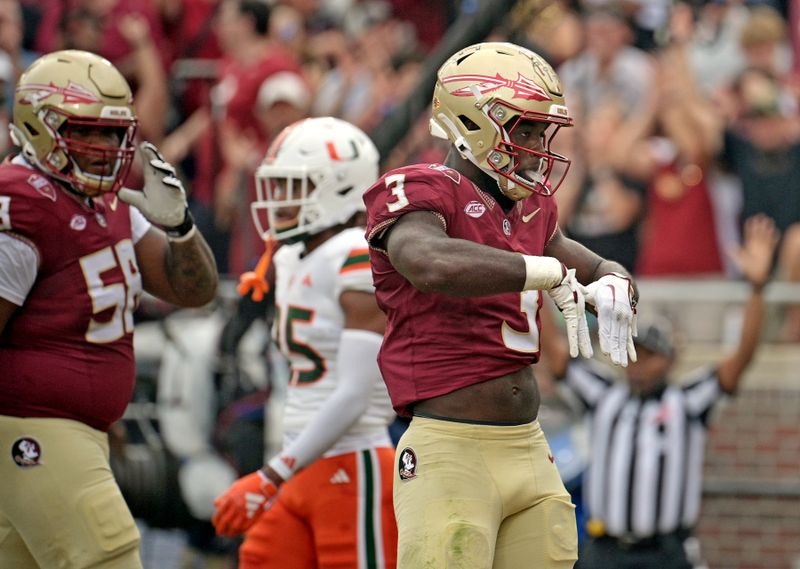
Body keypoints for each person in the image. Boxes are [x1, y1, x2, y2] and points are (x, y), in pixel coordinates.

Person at [362, 41, 638, 569]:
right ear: (472, 120)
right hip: (450, 448)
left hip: (530, 447)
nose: (537, 146)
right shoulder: (418, 188)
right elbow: (430, 262)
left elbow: (589, 262)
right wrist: (542, 271)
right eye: (525, 129)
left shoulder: (531, 205)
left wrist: (615, 282)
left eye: (541, 131)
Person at [0, 50, 218, 568]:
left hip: (73, 429)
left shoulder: (107, 202)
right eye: (86, 131)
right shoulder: (22, 204)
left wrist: (181, 228)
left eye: (111, 134)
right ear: (38, 124)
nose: (102, 148)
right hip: (33, 427)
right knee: (109, 553)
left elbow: (193, 289)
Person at [540, 214, 779, 569]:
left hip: (665, 554)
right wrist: (539, 280)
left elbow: (741, 359)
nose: (639, 364)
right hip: (605, 550)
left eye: (651, 356)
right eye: (637, 354)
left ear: (670, 360)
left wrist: (757, 289)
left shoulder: (688, 400)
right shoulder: (604, 394)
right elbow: (557, 355)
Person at [212, 117, 398, 569]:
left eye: (295, 185)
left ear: (338, 188)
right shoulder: (294, 254)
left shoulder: (357, 251)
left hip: (354, 466)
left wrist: (270, 474)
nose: (280, 200)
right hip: (299, 463)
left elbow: (354, 394)